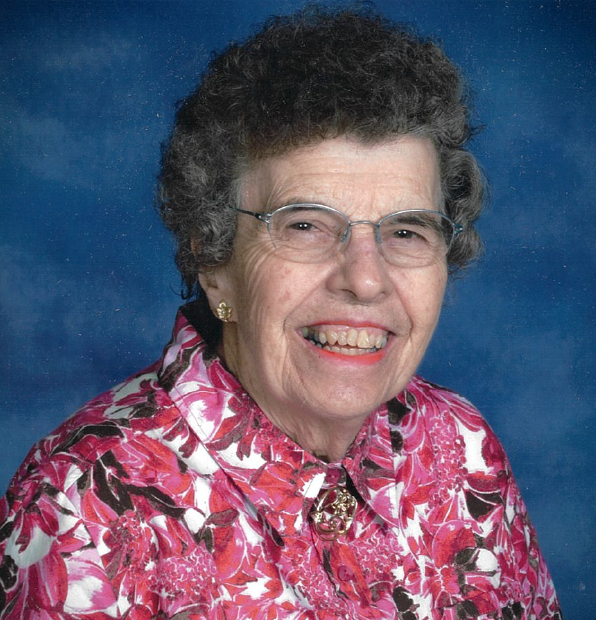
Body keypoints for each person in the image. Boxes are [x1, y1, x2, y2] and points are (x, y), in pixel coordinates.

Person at [0, 6, 562, 619]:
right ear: (214, 259)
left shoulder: (462, 446)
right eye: (305, 226)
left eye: (406, 231)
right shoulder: (82, 507)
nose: (366, 279)